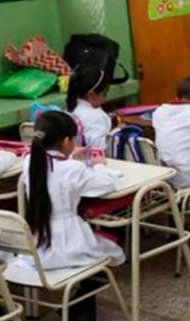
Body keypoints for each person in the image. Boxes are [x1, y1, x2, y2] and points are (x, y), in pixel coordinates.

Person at [22, 111, 125, 270]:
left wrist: (70, 159)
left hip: (37, 244)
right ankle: (86, 291)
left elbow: (55, 171)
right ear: (66, 141)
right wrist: (99, 165)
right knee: (114, 251)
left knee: (105, 246)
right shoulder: (72, 168)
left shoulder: (30, 160)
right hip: (69, 242)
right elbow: (107, 184)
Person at [66, 66, 113, 150]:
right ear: (91, 94)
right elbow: (99, 149)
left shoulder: (71, 109)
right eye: (105, 93)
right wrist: (117, 132)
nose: (106, 98)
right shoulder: (94, 117)